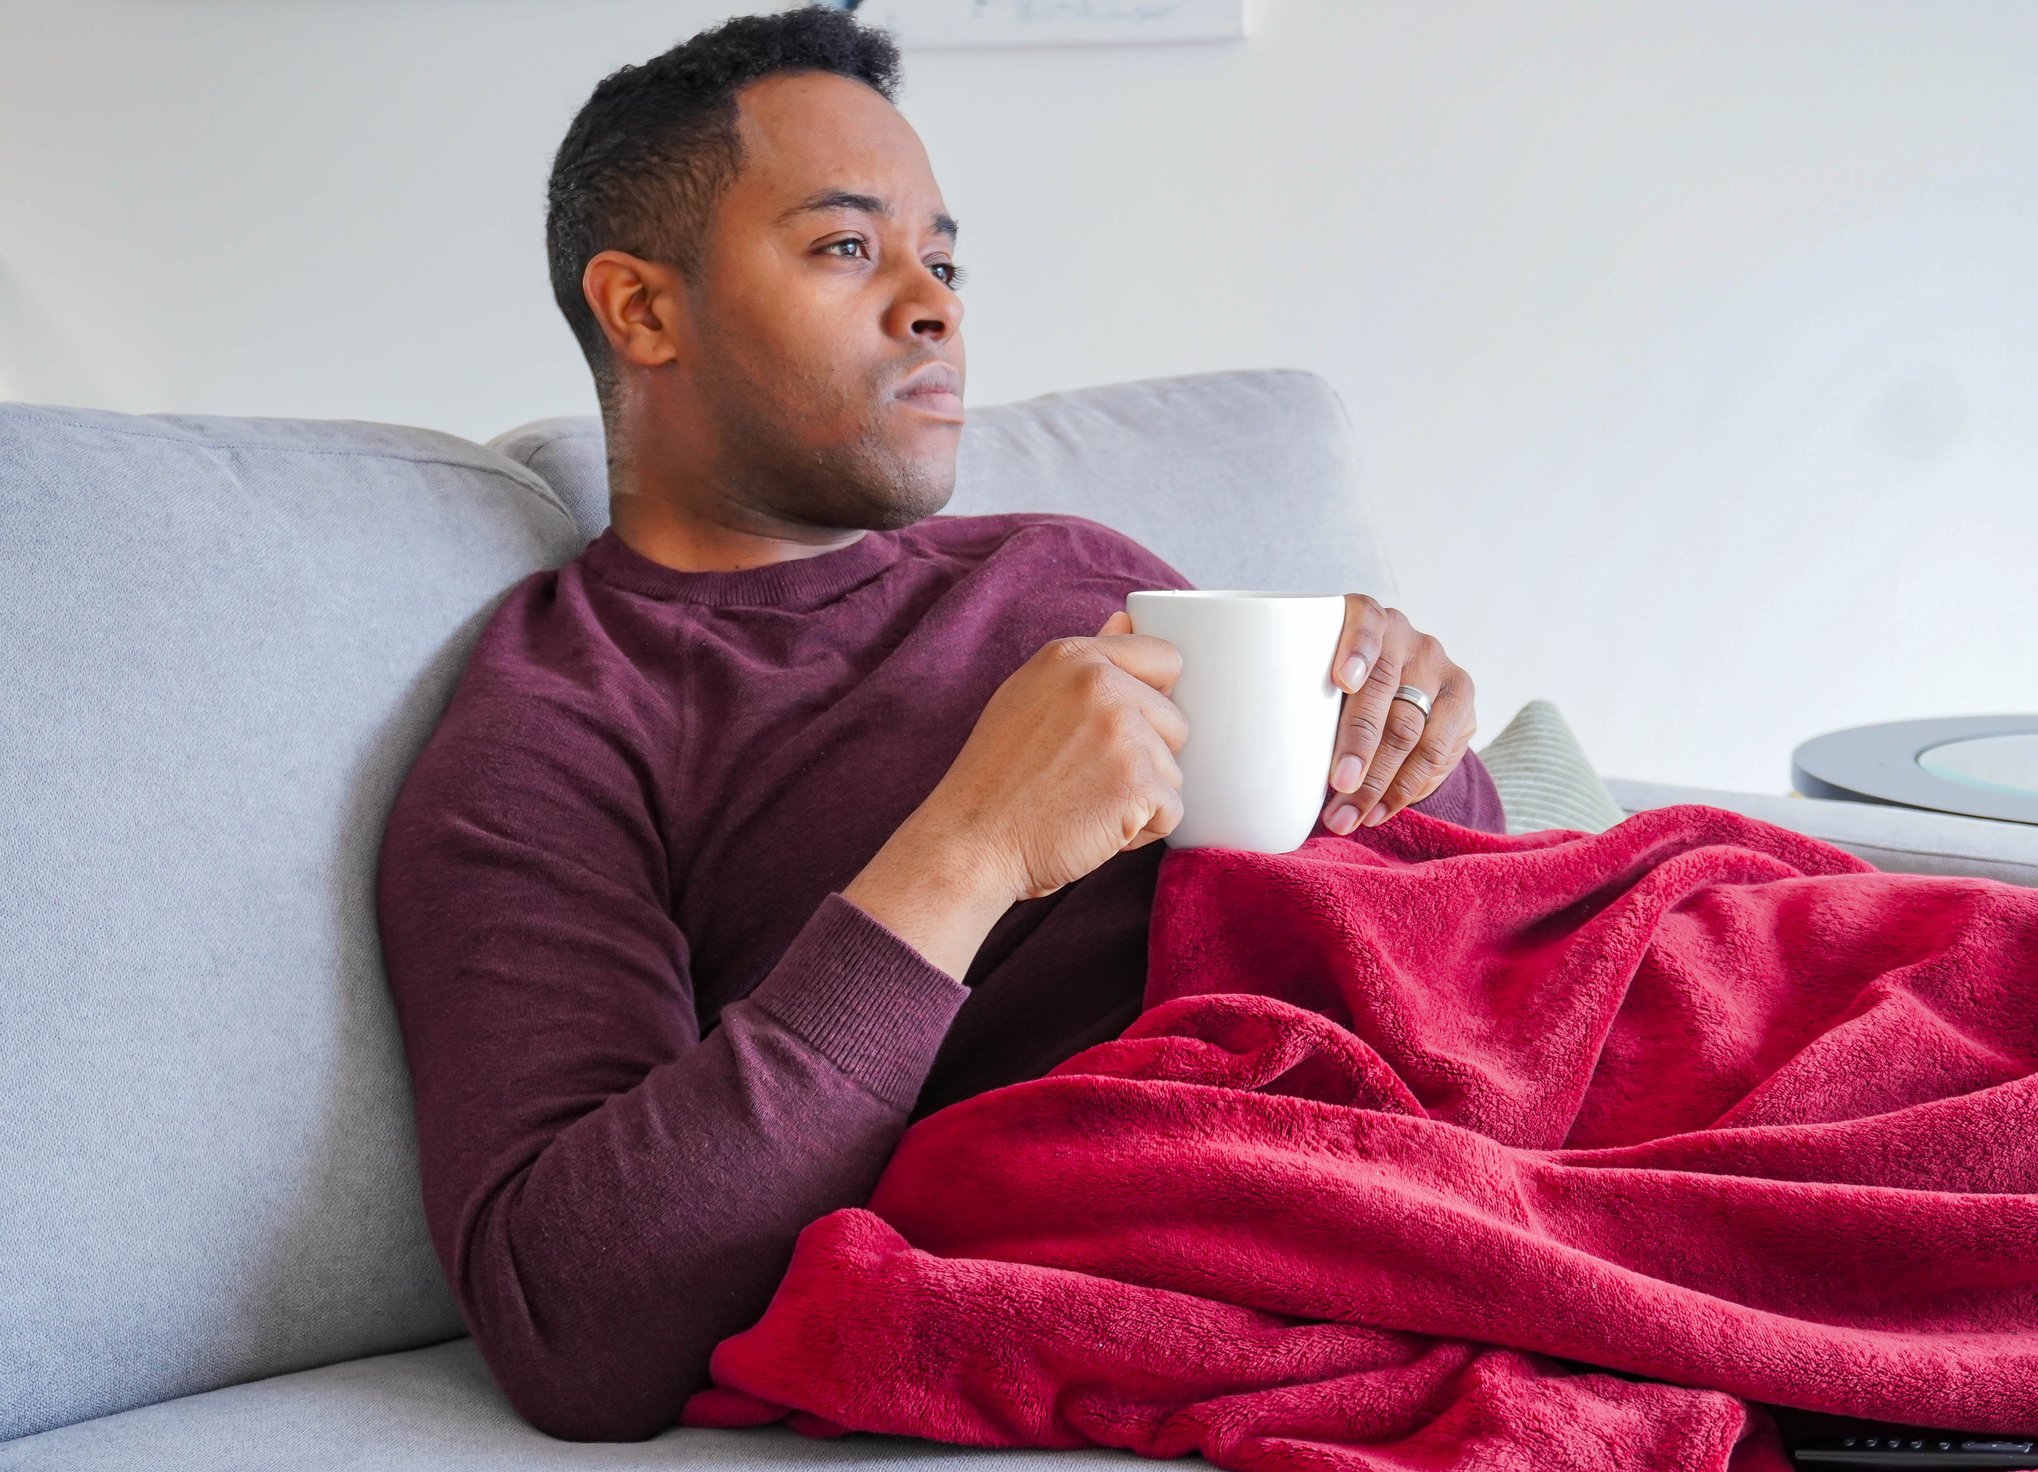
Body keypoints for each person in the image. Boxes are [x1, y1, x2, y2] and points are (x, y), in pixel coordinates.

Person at [374, 5, 1505, 1444]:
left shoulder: (1070, 561)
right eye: (849, 248)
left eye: (945, 259)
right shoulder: (556, 733)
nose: (935, 307)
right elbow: (574, 1323)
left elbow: (1458, 918)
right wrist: (967, 852)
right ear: (643, 309)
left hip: (1527, 1088)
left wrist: (1409, 741)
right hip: (1278, 1191)